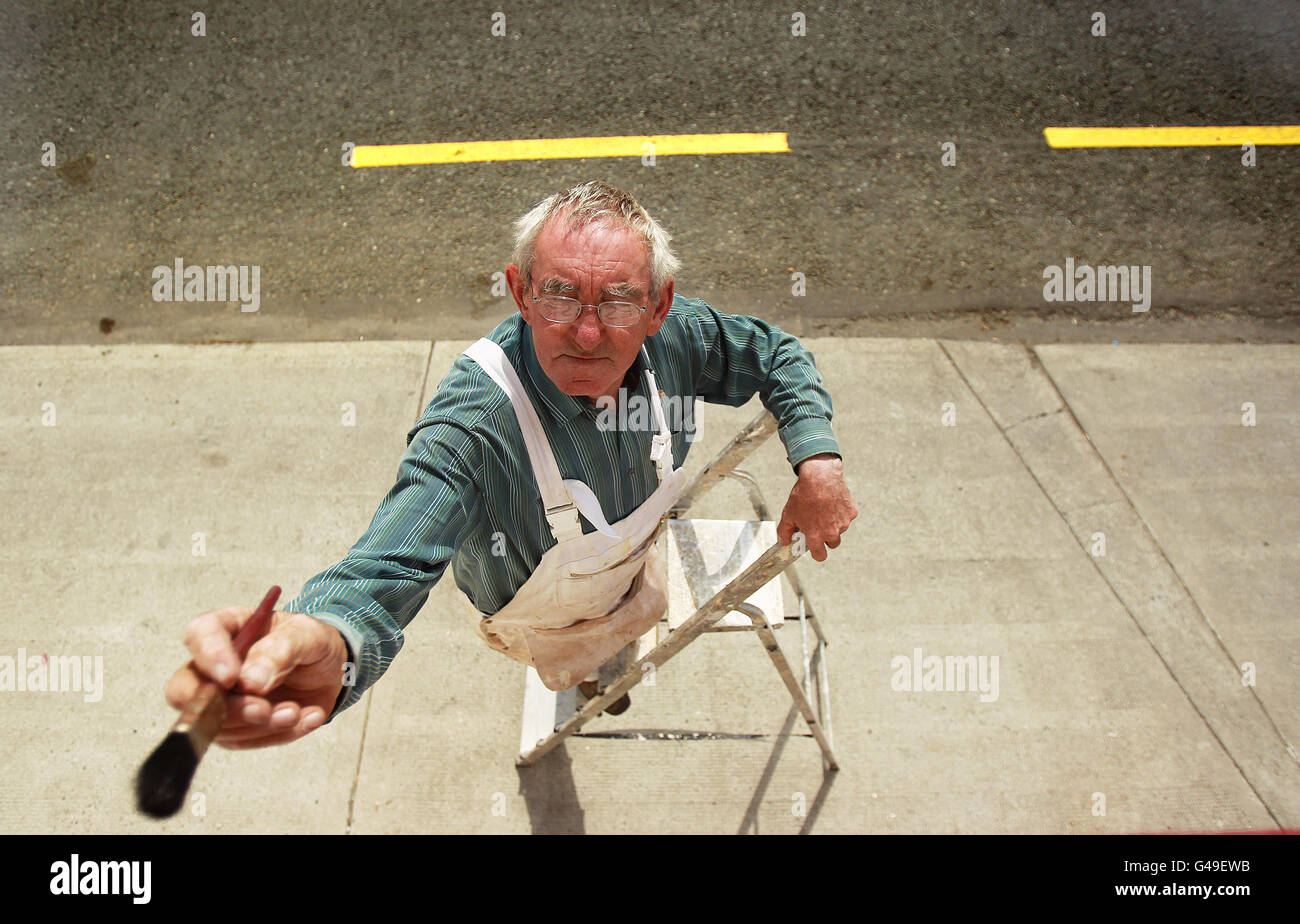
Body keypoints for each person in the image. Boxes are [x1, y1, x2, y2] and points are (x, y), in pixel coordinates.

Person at [164, 180, 858, 749]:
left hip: (634, 560)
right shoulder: (474, 425)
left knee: (624, 631)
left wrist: (817, 459)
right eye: (559, 295)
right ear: (520, 292)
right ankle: (588, 675)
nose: (587, 333)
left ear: (657, 305)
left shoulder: (677, 338)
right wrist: (327, 638)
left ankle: (604, 669)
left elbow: (778, 354)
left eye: (617, 300)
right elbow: (386, 565)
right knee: (577, 661)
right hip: (543, 618)